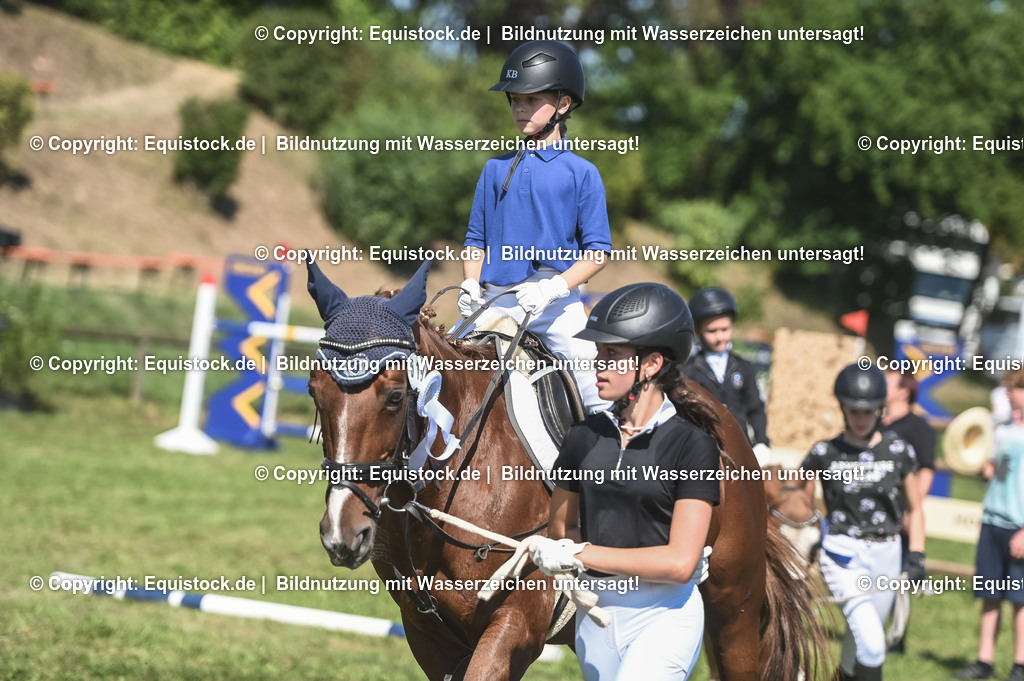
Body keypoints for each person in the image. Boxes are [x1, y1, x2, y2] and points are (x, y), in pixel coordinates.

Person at [528, 283, 718, 681]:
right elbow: (562, 529)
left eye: (611, 354)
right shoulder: (582, 437)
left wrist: (579, 555)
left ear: (650, 365)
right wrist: (559, 550)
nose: (597, 364)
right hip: (597, 618)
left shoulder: (692, 446)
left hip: (664, 616)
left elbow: (680, 563)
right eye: (598, 353)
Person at [458, 40, 612, 412]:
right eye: (514, 100)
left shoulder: (583, 173)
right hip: (494, 299)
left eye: (531, 99)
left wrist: (552, 289)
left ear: (563, 104)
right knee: (436, 369)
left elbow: (598, 254)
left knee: (600, 394)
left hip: (554, 307)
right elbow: (475, 240)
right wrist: (469, 282)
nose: (520, 108)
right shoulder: (494, 168)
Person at [802, 363, 925, 681]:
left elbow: (916, 507)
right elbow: (799, 504)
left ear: (880, 409)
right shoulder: (823, 452)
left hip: (888, 552)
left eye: (868, 411)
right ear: (843, 408)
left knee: (856, 648)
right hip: (843, 554)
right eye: (854, 410)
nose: (861, 418)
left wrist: (918, 555)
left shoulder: (898, 449)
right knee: (872, 644)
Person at [954, 368, 1024, 681]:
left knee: (1020, 600)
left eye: (1014, 389)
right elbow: (994, 467)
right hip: (992, 519)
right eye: (1008, 390)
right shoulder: (1002, 429)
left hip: (1019, 527)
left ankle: (1020, 664)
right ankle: (985, 660)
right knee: (990, 592)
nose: (1008, 395)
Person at [682, 286, 770, 465]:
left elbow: (755, 408)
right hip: (701, 450)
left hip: (740, 447)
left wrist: (761, 442)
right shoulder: (688, 369)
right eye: (712, 331)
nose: (720, 337)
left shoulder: (743, 367)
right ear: (699, 331)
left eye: (725, 329)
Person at [881, 369, 936, 654]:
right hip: (873, 512)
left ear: (904, 390)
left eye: (888, 382)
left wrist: (911, 511)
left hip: (901, 512)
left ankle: (896, 638)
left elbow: (925, 472)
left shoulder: (919, 428)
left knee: (901, 575)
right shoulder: (875, 423)